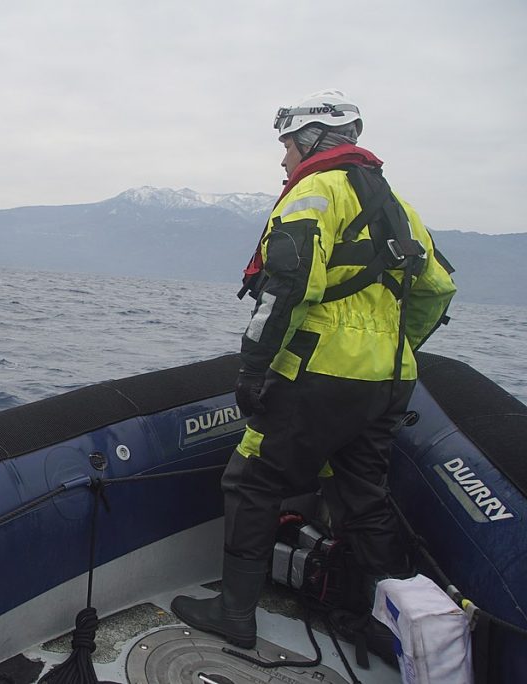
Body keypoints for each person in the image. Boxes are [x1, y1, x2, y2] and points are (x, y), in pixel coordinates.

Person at [171, 90, 457, 652]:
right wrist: (396, 352)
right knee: (364, 496)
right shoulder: (398, 206)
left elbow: (288, 289)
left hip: (318, 374)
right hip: (388, 381)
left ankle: (235, 614)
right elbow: (439, 288)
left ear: (310, 141)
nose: (282, 159)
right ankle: (389, 626)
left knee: (251, 482)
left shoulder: (312, 192)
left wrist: (254, 370)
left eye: (285, 145)